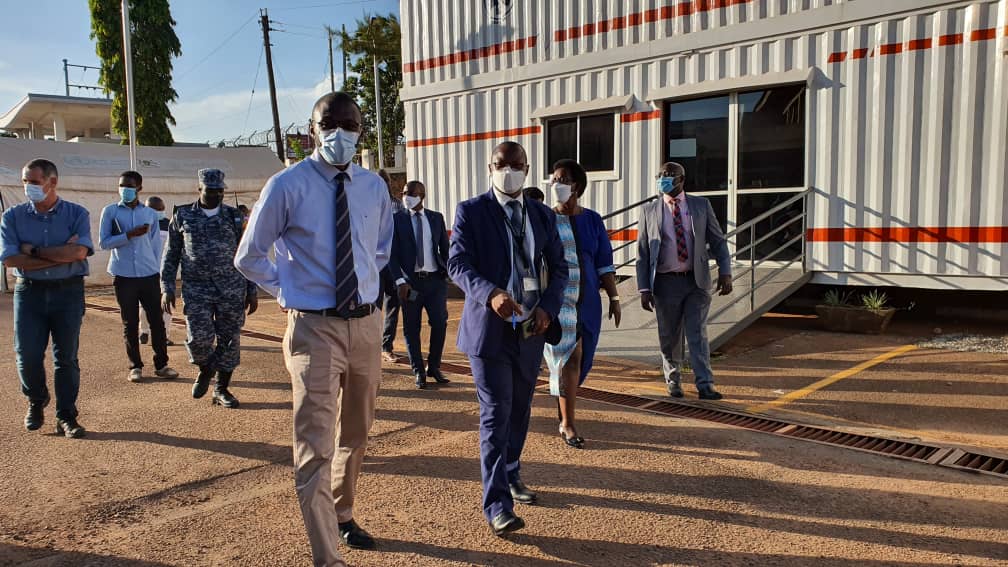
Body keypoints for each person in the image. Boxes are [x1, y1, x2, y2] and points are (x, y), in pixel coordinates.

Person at [235, 92, 393, 567]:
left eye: (349, 124)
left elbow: (378, 251)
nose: (340, 133)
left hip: (366, 326)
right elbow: (249, 256)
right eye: (330, 124)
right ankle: (328, 556)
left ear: (361, 131)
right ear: (312, 129)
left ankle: (342, 513)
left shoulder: (373, 187)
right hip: (314, 329)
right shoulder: (287, 185)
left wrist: (364, 294)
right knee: (315, 446)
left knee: (358, 433)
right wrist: (290, 289)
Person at [448, 141, 567, 536]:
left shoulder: (541, 215)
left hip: (532, 328)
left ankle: (512, 471)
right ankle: (497, 505)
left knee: (520, 409)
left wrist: (549, 306)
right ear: (490, 168)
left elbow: (561, 267)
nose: (509, 171)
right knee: (496, 413)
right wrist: (490, 293)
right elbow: (457, 263)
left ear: (527, 169)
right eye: (502, 165)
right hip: (490, 331)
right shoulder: (472, 212)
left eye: (516, 165)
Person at [1, 158, 93, 438]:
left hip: (68, 292)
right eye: (25, 181)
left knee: (66, 357)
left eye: (33, 181)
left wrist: (34, 252)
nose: (27, 186)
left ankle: (66, 416)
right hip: (29, 292)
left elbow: (79, 253)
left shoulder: (77, 213)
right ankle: (36, 398)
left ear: (52, 182)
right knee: (26, 354)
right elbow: (10, 260)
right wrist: (57, 255)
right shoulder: (13, 217)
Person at [161, 169, 258, 408]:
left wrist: (252, 290)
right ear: (199, 190)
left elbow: (247, 256)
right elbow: (171, 254)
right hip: (197, 289)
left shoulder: (234, 217)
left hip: (231, 288)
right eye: (210, 191)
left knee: (229, 340)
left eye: (219, 191)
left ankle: (221, 389)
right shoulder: (182, 216)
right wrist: (167, 287)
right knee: (199, 339)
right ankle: (206, 369)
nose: (215, 195)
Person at [635, 161, 732, 400]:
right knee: (669, 335)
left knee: (697, 333)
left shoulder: (700, 206)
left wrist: (725, 271)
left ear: (681, 179)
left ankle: (705, 384)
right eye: (660, 175)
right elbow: (643, 252)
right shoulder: (649, 211)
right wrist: (644, 288)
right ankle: (673, 380)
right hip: (665, 283)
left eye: (669, 175)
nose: (663, 179)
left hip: (696, 281)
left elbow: (718, 241)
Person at [543, 159, 622, 449]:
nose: (556, 185)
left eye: (562, 179)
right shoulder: (546, 218)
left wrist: (614, 298)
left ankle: (563, 406)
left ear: (576, 185)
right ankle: (568, 423)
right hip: (559, 300)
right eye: (553, 179)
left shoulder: (592, 219)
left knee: (583, 359)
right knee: (569, 357)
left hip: (588, 301)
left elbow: (604, 262)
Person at [98, 171, 179, 383]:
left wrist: (157, 272)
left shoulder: (150, 215)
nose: (124, 189)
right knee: (130, 322)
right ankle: (135, 366)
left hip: (148, 274)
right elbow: (104, 242)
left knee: (157, 322)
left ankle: (162, 364)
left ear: (139, 188)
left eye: (129, 186)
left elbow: (154, 247)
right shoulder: (110, 212)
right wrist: (128, 235)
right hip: (123, 274)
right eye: (121, 185)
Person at [387, 180, 450, 389]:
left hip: (434, 281)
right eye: (404, 192)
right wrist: (400, 281)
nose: (406, 196)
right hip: (410, 284)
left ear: (422, 196)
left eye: (411, 193)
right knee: (411, 328)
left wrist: (447, 273)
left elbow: (445, 249)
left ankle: (434, 366)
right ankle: (418, 370)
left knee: (440, 323)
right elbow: (391, 255)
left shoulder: (435, 218)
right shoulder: (396, 220)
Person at [377, 168, 405, 363]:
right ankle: (373, 346)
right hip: (374, 264)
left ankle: (386, 346)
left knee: (393, 305)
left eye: (384, 182)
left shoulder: (398, 205)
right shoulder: (365, 205)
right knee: (373, 307)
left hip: (392, 263)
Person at [139, 196, 173, 346]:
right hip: (146, 271)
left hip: (165, 271)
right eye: (154, 209)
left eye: (160, 209)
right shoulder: (141, 226)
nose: (158, 212)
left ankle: (163, 335)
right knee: (146, 303)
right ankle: (144, 331)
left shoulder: (170, 225)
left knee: (166, 303)